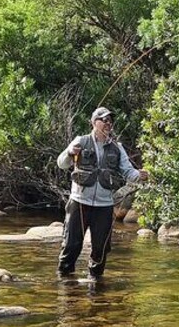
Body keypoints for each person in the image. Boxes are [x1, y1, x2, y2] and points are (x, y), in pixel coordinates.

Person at [56, 106, 149, 281]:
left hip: (104, 206)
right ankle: (65, 283)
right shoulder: (80, 141)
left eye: (110, 121)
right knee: (71, 245)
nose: (108, 124)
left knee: (101, 248)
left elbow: (128, 171)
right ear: (93, 122)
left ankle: (95, 284)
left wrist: (140, 175)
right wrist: (70, 153)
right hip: (79, 202)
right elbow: (61, 163)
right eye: (104, 120)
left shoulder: (117, 147)